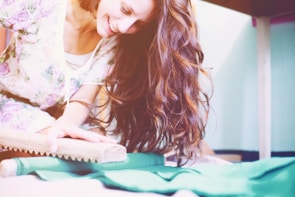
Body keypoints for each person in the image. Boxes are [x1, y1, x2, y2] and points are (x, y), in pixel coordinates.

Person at [0, 0, 211, 166]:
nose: (125, 27)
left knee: (100, 147)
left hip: (57, 116)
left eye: (138, 24)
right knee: (71, 151)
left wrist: (65, 125)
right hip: (8, 106)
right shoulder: (43, 6)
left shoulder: (113, 42)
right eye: (126, 9)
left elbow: (83, 100)